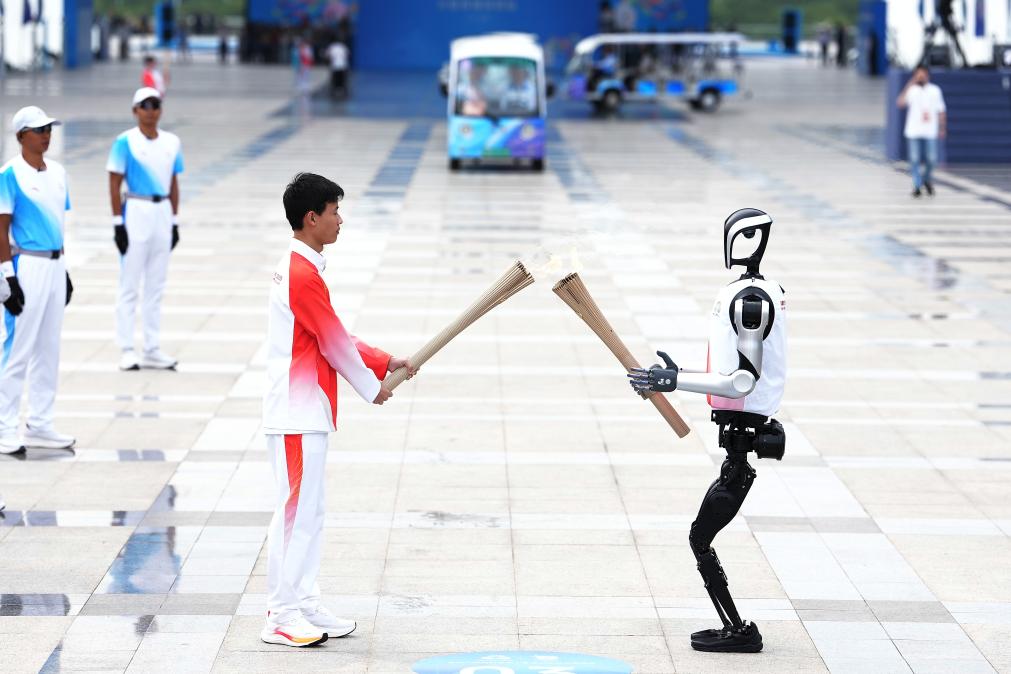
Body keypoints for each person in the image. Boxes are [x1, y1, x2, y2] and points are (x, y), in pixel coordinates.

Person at [261, 172, 417, 647]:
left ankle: (304, 602)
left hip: (305, 410)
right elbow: (332, 341)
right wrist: (372, 387)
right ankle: (281, 615)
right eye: (334, 212)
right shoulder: (300, 274)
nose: (340, 220)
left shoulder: (303, 270)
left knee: (311, 512)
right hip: (296, 411)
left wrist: (382, 360)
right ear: (312, 218)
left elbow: (332, 332)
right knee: (295, 513)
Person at [628, 209, 787, 654]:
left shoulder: (751, 300)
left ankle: (740, 632)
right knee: (701, 537)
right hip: (739, 434)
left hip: (744, 434)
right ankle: (735, 627)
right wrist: (674, 377)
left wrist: (674, 380)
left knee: (700, 538)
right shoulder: (756, 292)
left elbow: (742, 381)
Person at [0, 106, 76, 454]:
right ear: (20, 136)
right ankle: (4, 425)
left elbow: (58, 222)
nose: (46, 135)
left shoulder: (58, 172)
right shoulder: (8, 175)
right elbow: (1, 229)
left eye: (48, 129)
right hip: (26, 265)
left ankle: (41, 424)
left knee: (49, 347)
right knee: (17, 348)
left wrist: (65, 269)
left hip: (54, 265)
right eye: (39, 130)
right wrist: (8, 279)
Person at [107, 87, 184, 371]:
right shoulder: (124, 142)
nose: (151, 111)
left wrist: (174, 221)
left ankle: (152, 348)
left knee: (156, 285)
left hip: (161, 210)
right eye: (145, 105)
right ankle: (127, 348)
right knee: (129, 283)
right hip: (136, 210)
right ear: (135, 110)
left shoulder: (172, 142)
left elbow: (173, 182)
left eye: (155, 105)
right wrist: (118, 223)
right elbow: (114, 182)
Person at [898, 65, 946, 197]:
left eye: (922, 74)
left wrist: (942, 128)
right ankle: (917, 185)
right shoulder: (912, 90)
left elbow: (941, 110)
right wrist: (910, 83)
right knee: (914, 159)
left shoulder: (935, 90)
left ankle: (926, 179)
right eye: (918, 74)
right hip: (913, 131)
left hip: (930, 130)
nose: (920, 77)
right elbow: (900, 103)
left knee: (932, 159)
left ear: (927, 75)